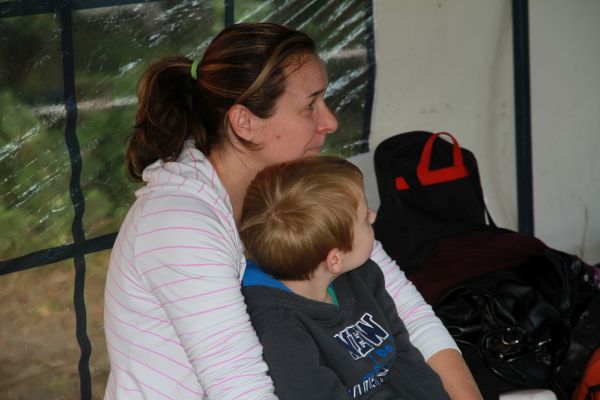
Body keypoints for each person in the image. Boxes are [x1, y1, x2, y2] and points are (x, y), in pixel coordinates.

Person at [103, 22, 482, 399]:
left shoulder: (293, 191)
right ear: (244, 122)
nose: (330, 122)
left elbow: (410, 315)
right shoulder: (179, 223)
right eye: (309, 106)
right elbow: (242, 388)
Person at [239, 155, 451, 399]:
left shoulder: (364, 276)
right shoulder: (277, 324)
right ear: (335, 259)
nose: (373, 216)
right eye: (364, 220)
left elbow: (403, 355)